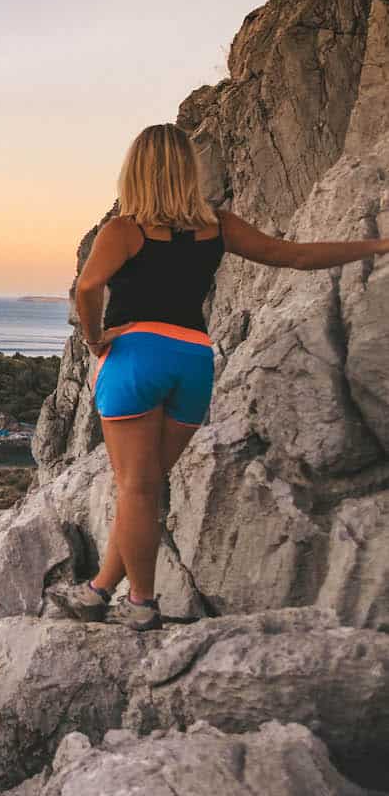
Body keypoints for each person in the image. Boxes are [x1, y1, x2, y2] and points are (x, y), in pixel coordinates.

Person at [48, 123, 389, 630]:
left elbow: (88, 287)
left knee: (136, 489)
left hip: (137, 357)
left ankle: (140, 603)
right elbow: (295, 256)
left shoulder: (124, 230)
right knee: (147, 486)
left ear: (134, 172)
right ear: (189, 170)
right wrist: (377, 247)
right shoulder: (218, 226)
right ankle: (99, 591)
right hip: (193, 361)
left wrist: (96, 340)